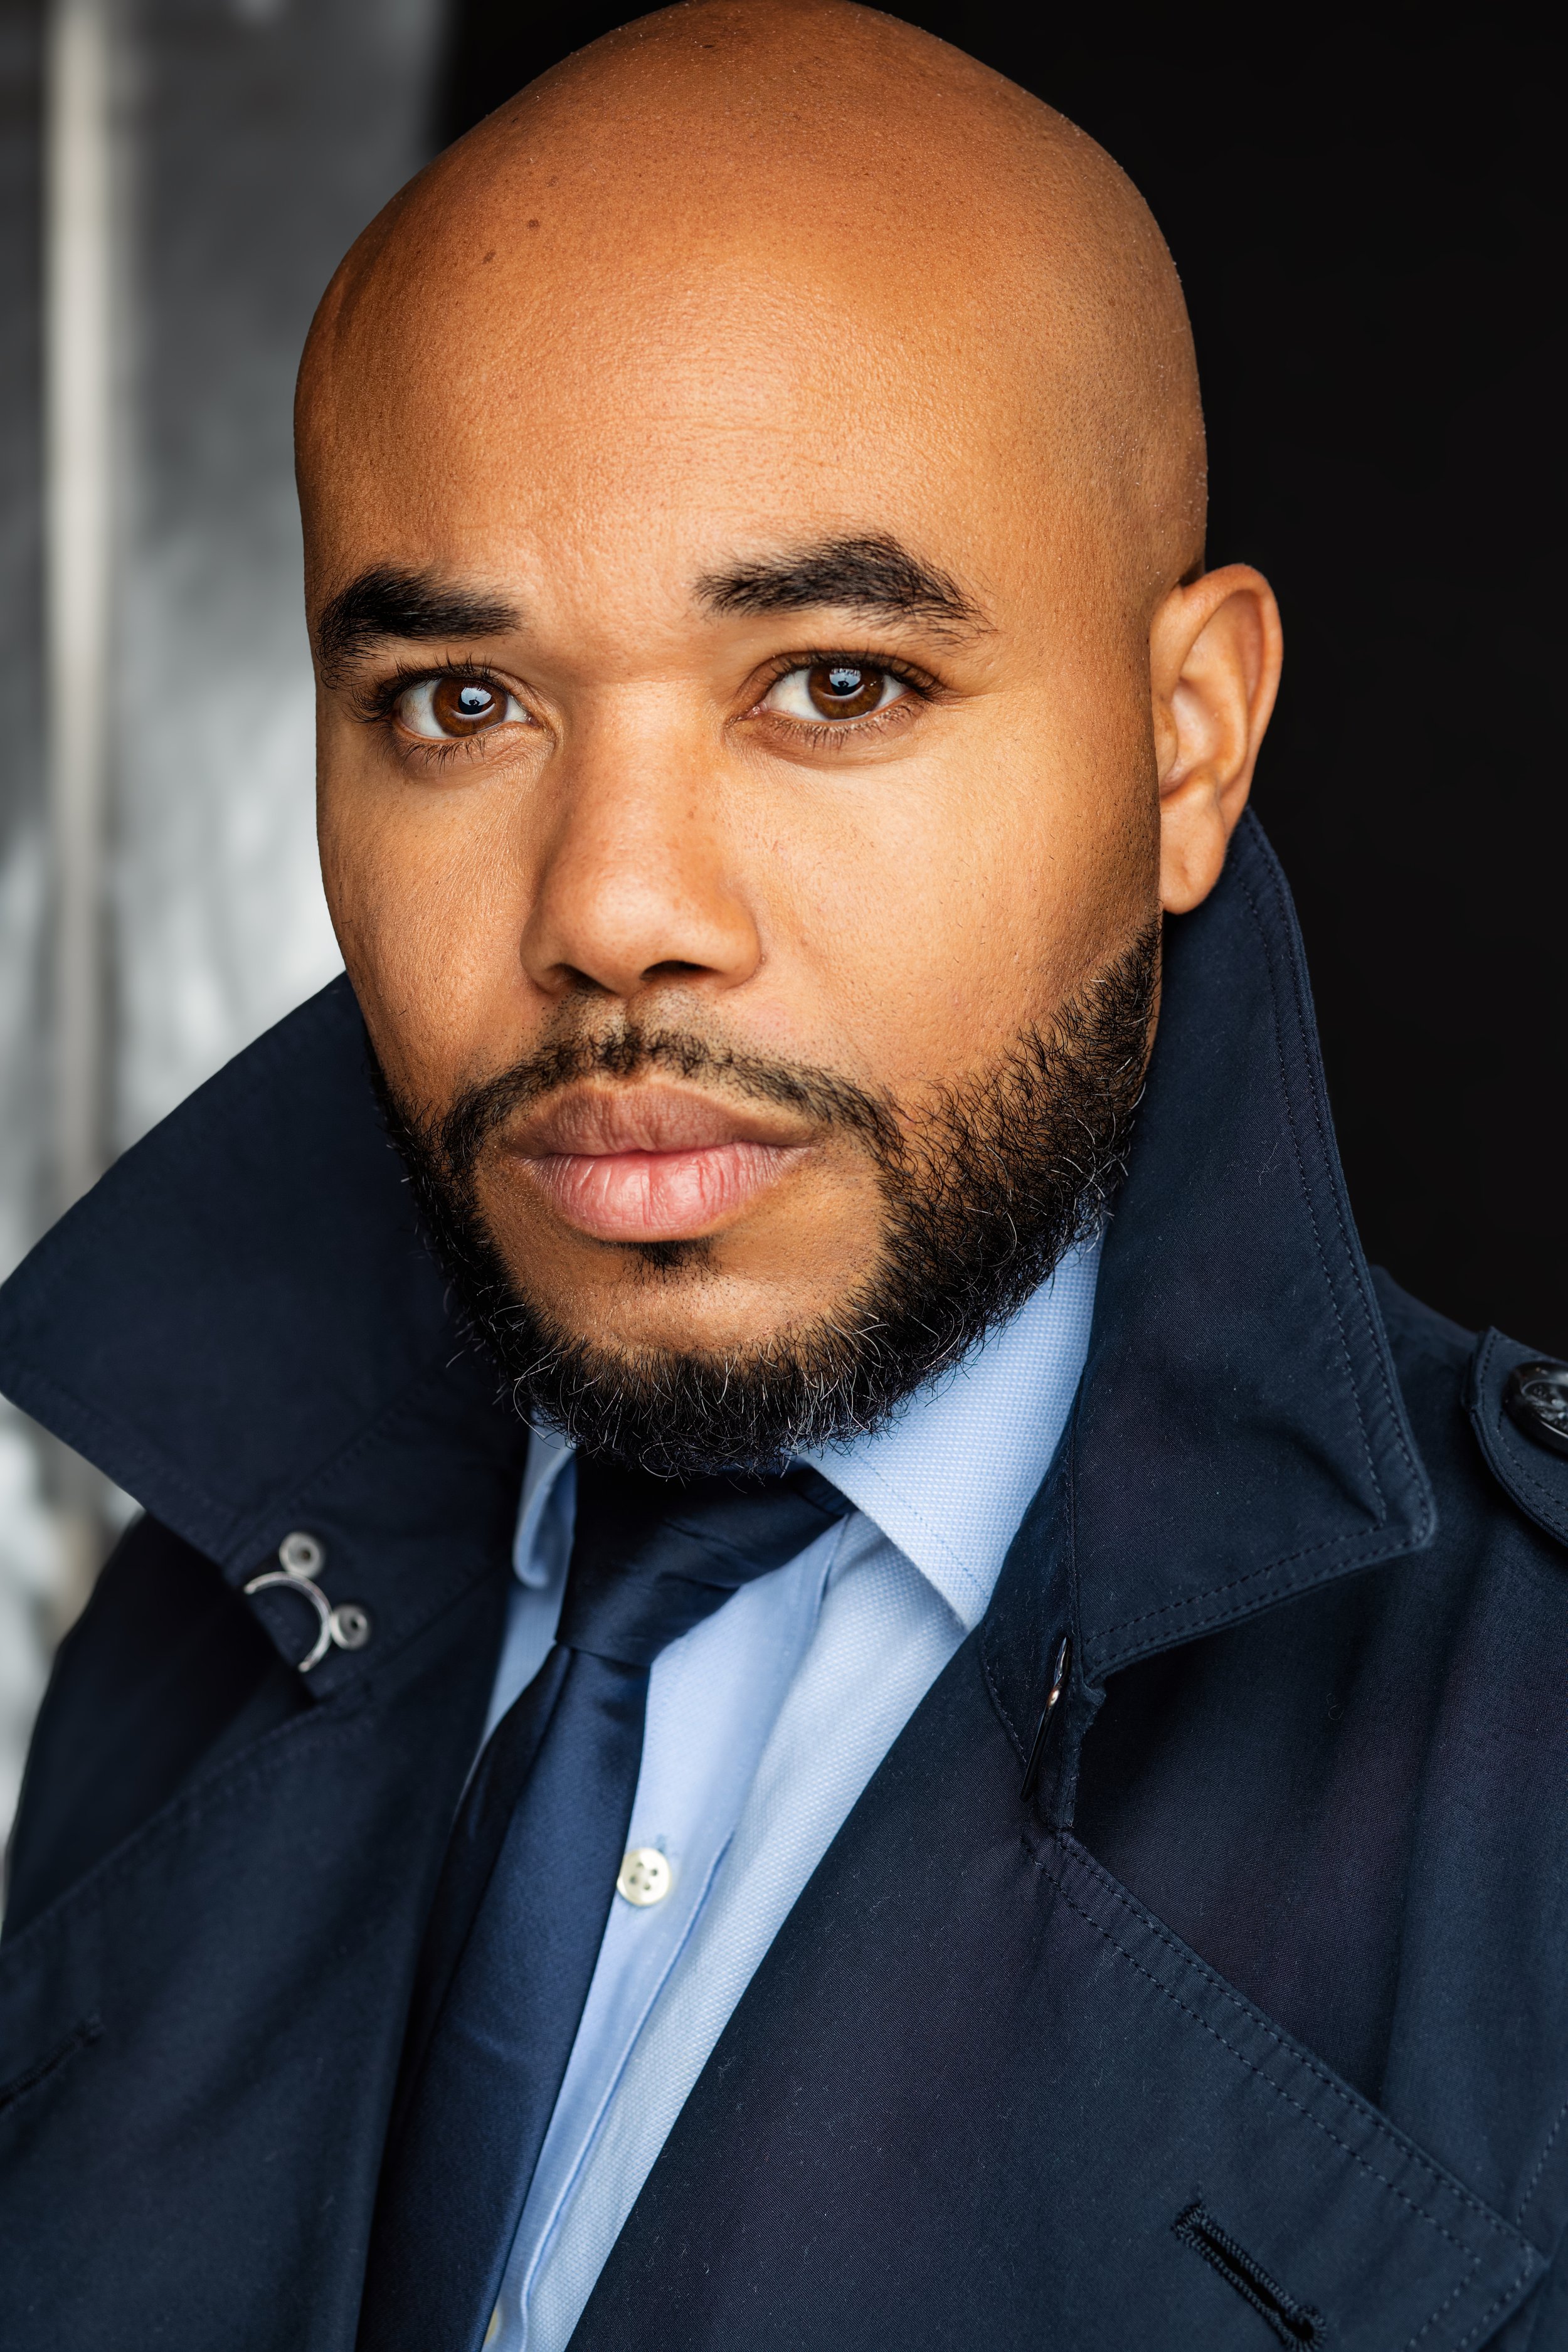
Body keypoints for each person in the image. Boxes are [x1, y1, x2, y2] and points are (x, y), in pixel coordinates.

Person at [3, 4, 1565, 2345]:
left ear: (1185, 743)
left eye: (832, 683)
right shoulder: (190, 1627)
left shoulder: (1527, 1771)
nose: (614, 906)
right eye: (460, 705)